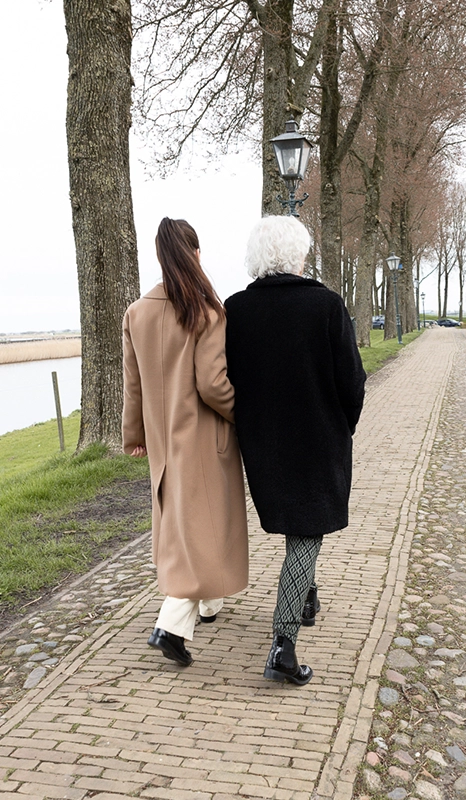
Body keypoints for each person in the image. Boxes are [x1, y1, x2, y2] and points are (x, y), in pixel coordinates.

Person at [225, 215, 365, 685]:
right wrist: (344, 425)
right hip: (317, 439)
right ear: (297, 256)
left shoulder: (235, 310)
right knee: (307, 533)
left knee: (298, 523)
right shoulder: (325, 305)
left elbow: (227, 378)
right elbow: (352, 379)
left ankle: (304, 596)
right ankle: (283, 645)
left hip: (264, 442)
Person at [122, 217, 249, 667]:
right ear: (195, 254)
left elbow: (132, 385)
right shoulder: (206, 311)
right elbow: (213, 384)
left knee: (188, 523)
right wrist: (243, 415)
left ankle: (209, 604)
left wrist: (133, 434)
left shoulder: (137, 312)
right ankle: (172, 624)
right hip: (202, 436)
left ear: (160, 258)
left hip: (162, 440)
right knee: (209, 522)